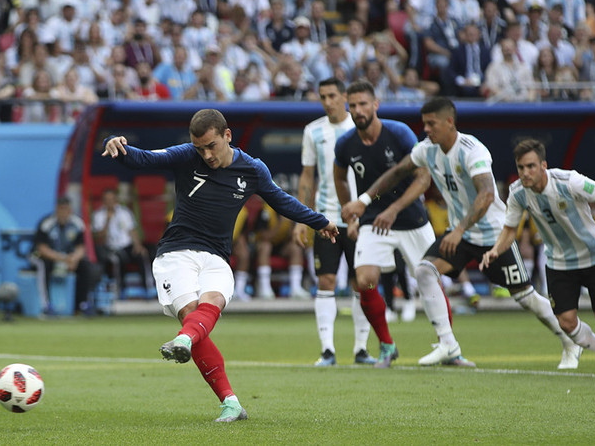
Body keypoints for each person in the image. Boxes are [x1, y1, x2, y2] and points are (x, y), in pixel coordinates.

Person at [102, 109, 338, 422]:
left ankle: (188, 345)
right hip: (176, 254)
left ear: (227, 136)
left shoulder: (252, 169)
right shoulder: (187, 155)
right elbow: (144, 159)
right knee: (191, 316)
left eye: (211, 146)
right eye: (200, 148)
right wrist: (117, 145)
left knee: (206, 309)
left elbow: (282, 201)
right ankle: (228, 400)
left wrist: (320, 221)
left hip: (216, 257)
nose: (207, 154)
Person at [347, 97, 582, 369]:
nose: (426, 130)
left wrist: (459, 229)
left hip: (494, 236)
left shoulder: (472, 150)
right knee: (425, 270)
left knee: (525, 297)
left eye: (431, 124)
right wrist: (364, 200)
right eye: (424, 124)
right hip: (461, 235)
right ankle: (448, 345)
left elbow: (486, 194)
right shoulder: (427, 150)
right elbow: (398, 172)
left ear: (449, 122)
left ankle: (569, 339)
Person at [335, 81, 469, 368]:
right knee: (364, 280)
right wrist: (354, 215)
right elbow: (338, 176)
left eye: (363, 104)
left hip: (411, 220)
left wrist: (394, 209)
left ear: (375, 104)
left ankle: (449, 347)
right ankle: (386, 345)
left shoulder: (399, 133)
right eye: (353, 105)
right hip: (373, 221)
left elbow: (423, 178)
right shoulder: (345, 143)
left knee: (431, 280)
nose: (357, 110)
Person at [480, 139, 595, 377]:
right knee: (567, 322)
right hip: (559, 263)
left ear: (543, 165)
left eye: (531, 166)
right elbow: (510, 229)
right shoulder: (518, 193)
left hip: (593, 257)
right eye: (521, 167)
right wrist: (495, 250)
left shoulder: (569, 181)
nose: (525, 173)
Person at [292, 77, 376, 367]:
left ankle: (361, 348)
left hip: (360, 219)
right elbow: (307, 175)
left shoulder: (362, 127)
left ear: (344, 97)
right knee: (325, 280)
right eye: (322, 96)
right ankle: (327, 349)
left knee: (361, 281)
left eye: (332, 96)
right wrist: (303, 218)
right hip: (326, 218)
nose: (327, 102)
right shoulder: (313, 131)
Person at [31, 196, 101, 314]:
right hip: (45, 257)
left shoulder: (77, 223)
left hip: (68, 258)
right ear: (56, 209)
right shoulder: (46, 223)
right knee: (43, 266)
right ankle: (46, 305)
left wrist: (74, 259)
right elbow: (42, 249)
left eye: (66, 209)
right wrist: (63, 259)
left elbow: (81, 247)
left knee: (86, 266)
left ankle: (82, 304)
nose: (64, 213)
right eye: (61, 209)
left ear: (71, 210)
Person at [91, 188, 153, 294]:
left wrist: (137, 245)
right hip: (110, 248)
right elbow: (99, 237)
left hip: (127, 246)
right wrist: (107, 220)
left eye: (112, 199)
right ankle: (120, 289)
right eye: (107, 200)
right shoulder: (98, 215)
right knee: (117, 260)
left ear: (116, 200)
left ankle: (147, 288)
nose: (110, 202)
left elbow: (132, 230)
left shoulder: (125, 212)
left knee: (143, 254)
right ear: (103, 201)